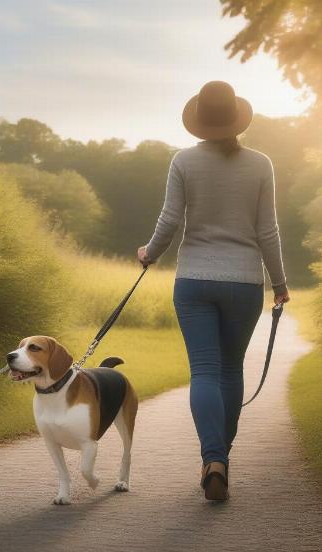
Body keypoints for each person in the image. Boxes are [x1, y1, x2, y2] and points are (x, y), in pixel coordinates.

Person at [137, 81, 290, 502]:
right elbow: (267, 231)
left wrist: (149, 253)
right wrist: (279, 283)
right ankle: (220, 459)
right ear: (237, 118)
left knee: (203, 371)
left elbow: (169, 220)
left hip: (195, 281)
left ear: (200, 121)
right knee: (229, 370)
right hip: (244, 283)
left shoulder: (184, 161)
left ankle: (213, 458)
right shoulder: (261, 164)